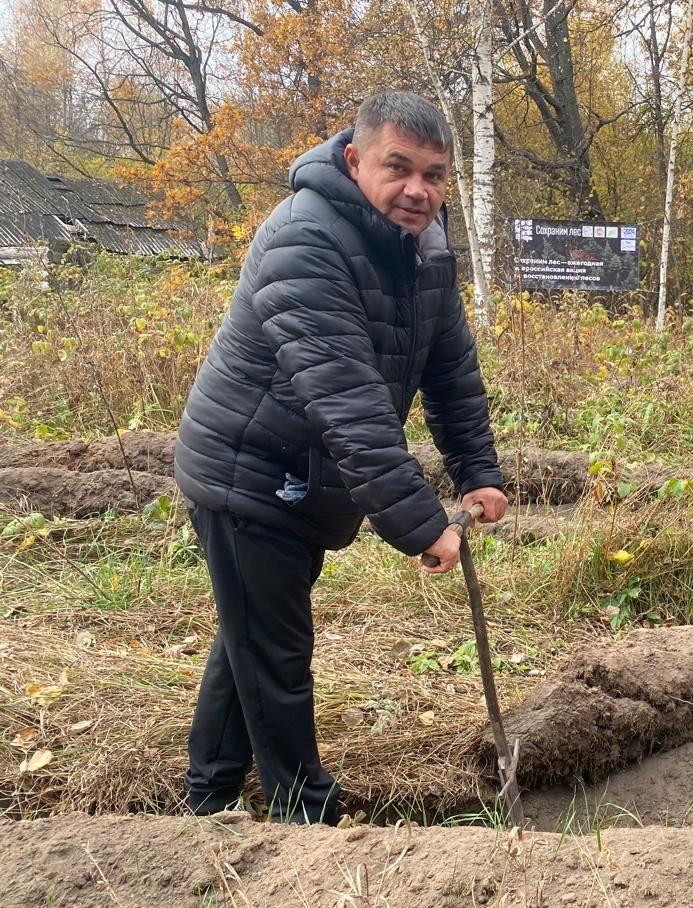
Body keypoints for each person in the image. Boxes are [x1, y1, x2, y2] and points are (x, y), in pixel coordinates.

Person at [174, 91, 507, 825]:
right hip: (248, 474)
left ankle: (208, 797)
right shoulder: (306, 240)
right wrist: (422, 523)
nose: (418, 189)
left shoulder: (423, 242)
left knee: (251, 639)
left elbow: (451, 367)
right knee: (276, 659)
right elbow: (347, 400)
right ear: (355, 160)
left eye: (435, 174)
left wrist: (478, 469)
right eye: (399, 167)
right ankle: (306, 818)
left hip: (301, 477)